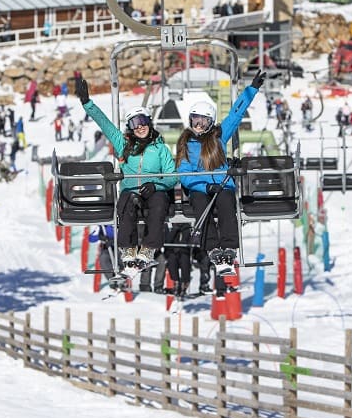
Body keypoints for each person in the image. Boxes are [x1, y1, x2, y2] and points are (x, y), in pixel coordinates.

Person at [76, 77, 178, 271]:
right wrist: (87, 103)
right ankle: (128, 250)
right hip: (131, 189)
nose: (139, 127)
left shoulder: (160, 149)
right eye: (134, 123)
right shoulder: (124, 145)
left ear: (149, 122)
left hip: (154, 190)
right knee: (126, 204)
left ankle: (148, 249)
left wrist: (157, 185)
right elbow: (105, 125)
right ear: (130, 128)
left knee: (159, 203)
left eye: (142, 121)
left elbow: (172, 176)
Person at [175, 69, 266, 275]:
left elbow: (236, 113)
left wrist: (251, 90)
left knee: (226, 203)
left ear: (211, 122)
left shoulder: (218, 138)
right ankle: (213, 247)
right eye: (195, 120)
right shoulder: (185, 144)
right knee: (200, 205)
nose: (199, 125)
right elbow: (184, 173)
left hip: (223, 185)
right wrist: (205, 185)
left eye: (204, 121)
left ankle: (229, 247)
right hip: (199, 188)